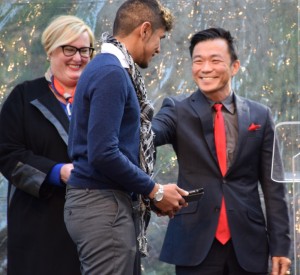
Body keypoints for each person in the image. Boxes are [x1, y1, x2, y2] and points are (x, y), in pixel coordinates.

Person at [152, 27, 291, 275]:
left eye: (215, 60)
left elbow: (273, 187)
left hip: (248, 245)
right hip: (194, 242)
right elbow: (148, 136)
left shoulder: (260, 115)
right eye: (198, 61)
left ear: (234, 66)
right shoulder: (176, 109)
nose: (205, 68)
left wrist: (281, 247)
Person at [63, 1, 188, 274]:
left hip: (102, 204)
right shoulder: (111, 73)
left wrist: (148, 194)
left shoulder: (107, 68)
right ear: (144, 30)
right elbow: (103, 153)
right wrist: (155, 191)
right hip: (102, 207)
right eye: (160, 38)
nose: (159, 48)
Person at [0, 15, 95, 275]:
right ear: (51, 49)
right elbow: (7, 155)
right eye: (69, 49)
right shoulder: (24, 97)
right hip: (39, 228)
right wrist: (58, 172)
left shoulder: (102, 98)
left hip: (94, 229)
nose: (77, 58)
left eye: (84, 50)